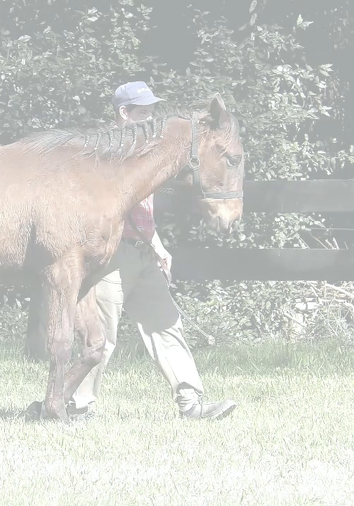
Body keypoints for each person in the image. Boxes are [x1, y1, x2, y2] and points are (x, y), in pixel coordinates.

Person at [66, 81, 238, 420]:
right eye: (143, 112)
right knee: (102, 334)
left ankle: (190, 404)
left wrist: (159, 247)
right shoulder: (108, 154)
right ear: (123, 113)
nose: (151, 119)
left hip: (142, 253)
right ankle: (78, 405)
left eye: (151, 111)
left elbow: (142, 212)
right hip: (111, 256)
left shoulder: (146, 155)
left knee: (166, 324)